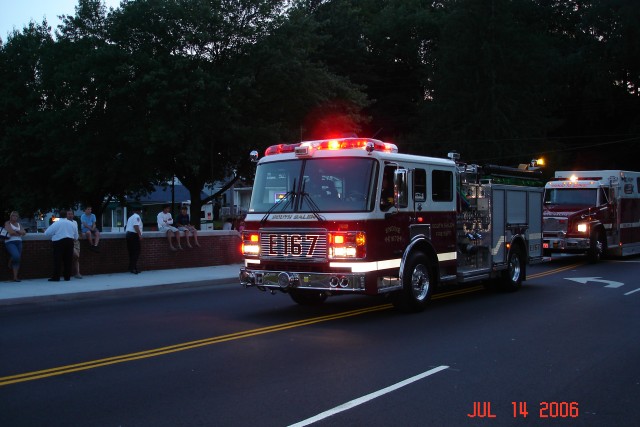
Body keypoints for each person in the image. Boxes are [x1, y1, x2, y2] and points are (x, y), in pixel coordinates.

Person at [44, 209, 78, 282]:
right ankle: (67, 277)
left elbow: (47, 233)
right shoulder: (72, 224)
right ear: (66, 215)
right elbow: (76, 236)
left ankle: (56, 277)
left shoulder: (56, 223)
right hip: (69, 242)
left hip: (58, 242)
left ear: (59, 215)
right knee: (68, 260)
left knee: (57, 260)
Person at [4, 211, 26, 282]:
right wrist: (19, 233)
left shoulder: (19, 224)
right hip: (10, 242)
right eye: (13, 216)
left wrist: (18, 232)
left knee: (17, 259)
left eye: (16, 216)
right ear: (11, 216)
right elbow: (10, 232)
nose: (15, 217)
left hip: (19, 242)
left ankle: (15, 277)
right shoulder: (7, 223)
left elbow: (24, 232)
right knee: (16, 256)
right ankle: (10, 261)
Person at [125, 207, 143, 274]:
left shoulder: (130, 217)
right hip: (134, 235)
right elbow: (136, 226)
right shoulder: (137, 216)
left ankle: (132, 267)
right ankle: (133, 268)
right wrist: (139, 235)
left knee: (131, 252)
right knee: (136, 252)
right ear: (139, 211)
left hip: (128, 235)